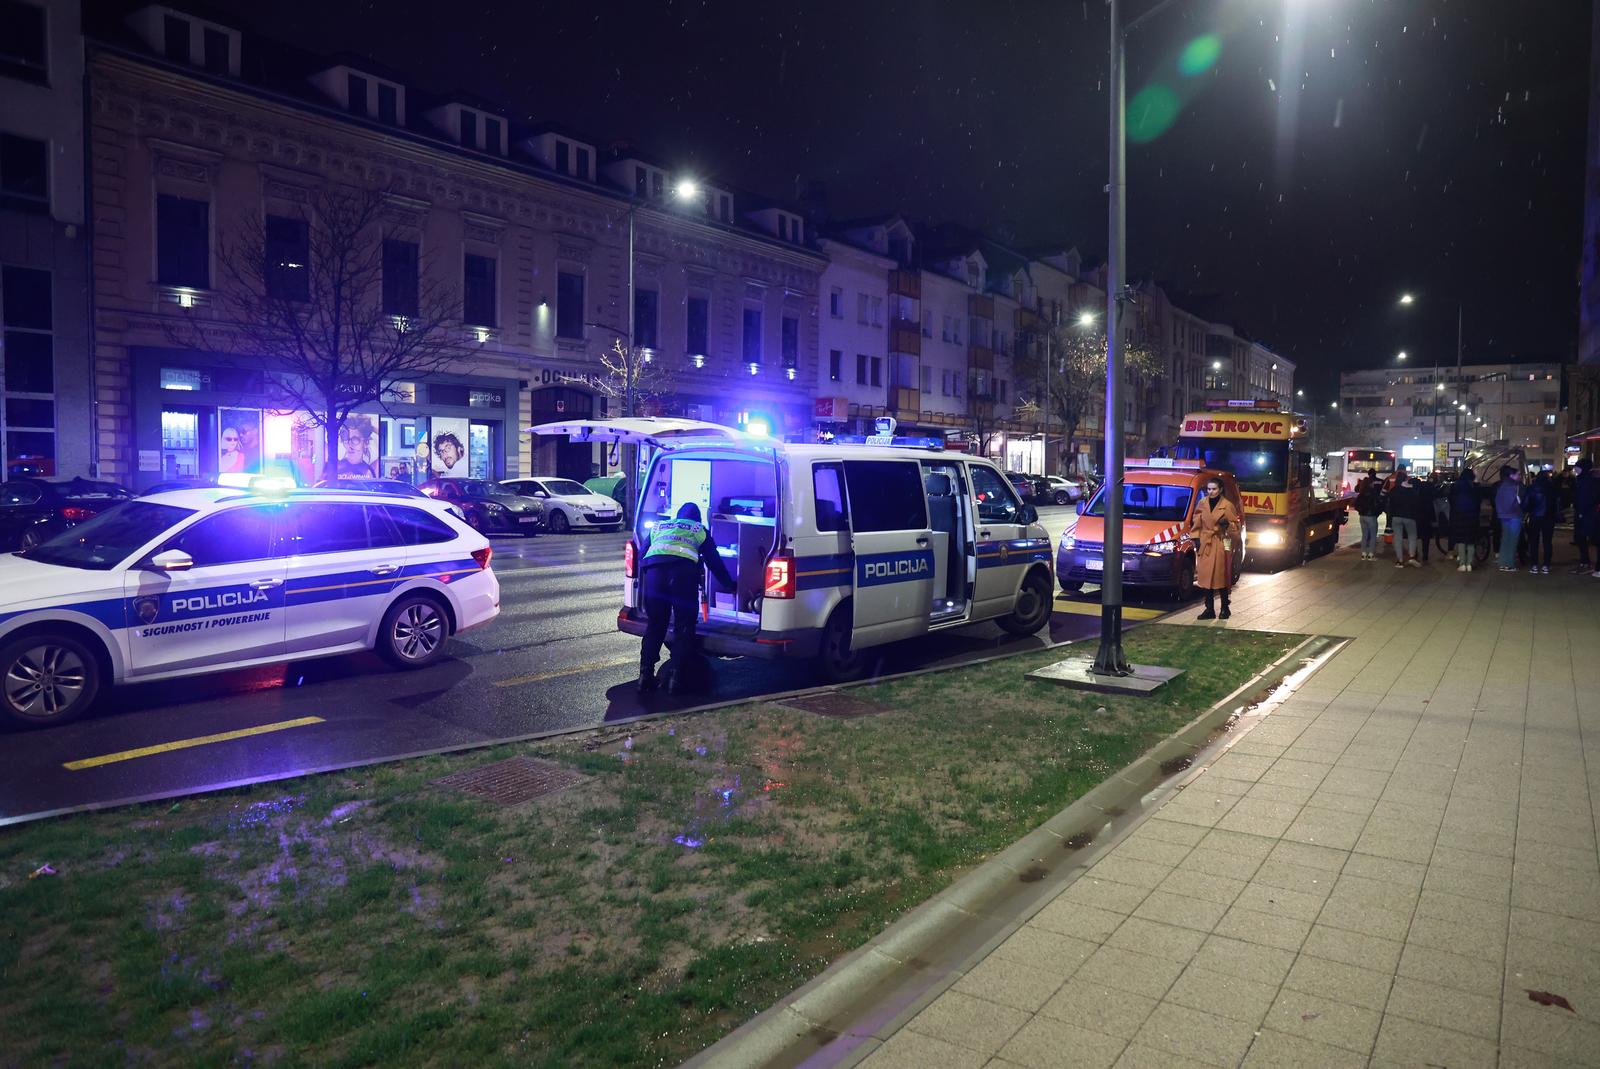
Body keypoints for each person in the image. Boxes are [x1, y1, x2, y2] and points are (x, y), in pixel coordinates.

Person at [637, 502, 736, 693]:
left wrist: (646, 581)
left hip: (654, 575)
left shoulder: (660, 526)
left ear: (678, 515)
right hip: (682, 576)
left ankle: (645, 676)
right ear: (697, 519)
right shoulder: (699, 530)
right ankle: (676, 678)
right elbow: (713, 561)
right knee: (684, 625)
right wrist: (728, 585)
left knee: (656, 625)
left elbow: (642, 554)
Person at [1188, 478, 1240, 621]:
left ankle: (1225, 608)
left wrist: (1227, 527)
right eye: (1209, 489)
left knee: (1222, 577)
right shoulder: (1202, 503)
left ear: (1221, 489)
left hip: (1222, 542)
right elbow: (1196, 522)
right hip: (1206, 544)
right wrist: (1196, 540)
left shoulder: (1227, 505)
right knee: (1206, 579)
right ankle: (1209, 608)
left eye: (1214, 489)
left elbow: (1235, 528)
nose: (1211, 492)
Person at [1524, 469, 1558, 574]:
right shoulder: (1552, 488)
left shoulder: (1532, 488)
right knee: (1547, 542)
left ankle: (1534, 565)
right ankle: (1546, 565)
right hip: (1549, 517)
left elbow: (1526, 503)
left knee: (1534, 541)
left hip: (1535, 517)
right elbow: (1557, 503)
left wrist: (1528, 511)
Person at [1388, 471, 1422, 568]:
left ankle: (1399, 560)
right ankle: (1412, 557)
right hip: (1409, 516)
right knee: (1412, 536)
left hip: (1396, 517)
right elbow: (1416, 503)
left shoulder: (1394, 490)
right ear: (1405, 479)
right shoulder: (1411, 490)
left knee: (1397, 538)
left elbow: (1390, 504)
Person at [1449, 469, 1481, 572]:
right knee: (1471, 541)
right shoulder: (1475, 487)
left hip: (1459, 516)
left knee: (1461, 540)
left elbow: (1451, 500)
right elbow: (1478, 502)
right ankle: (1469, 563)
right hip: (1472, 517)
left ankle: (1462, 563)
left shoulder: (1456, 486)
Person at [1493, 466, 1524, 572]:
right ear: (1512, 475)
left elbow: (1496, 500)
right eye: (1517, 474)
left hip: (1503, 516)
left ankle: (1502, 562)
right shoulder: (1517, 486)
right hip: (1515, 515)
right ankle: (1509, 564)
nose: (1519, 476)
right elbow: (1521, 501)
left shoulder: (1501, 485)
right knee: (1513, 540)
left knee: (1505, 539)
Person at [1574, 459, 1600, 574]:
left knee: (1594, 539)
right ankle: (1585, 561)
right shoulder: (1580, 479)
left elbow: (1588, 499)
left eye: (1577, 467)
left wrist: (1582, 512)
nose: (1575, 469)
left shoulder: (1590, 481)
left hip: (1589, 514)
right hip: (1583, 514)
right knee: (1580, 538)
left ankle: (1595, 566)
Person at [1354, 469, 1383, 560]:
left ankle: (1363, 554)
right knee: (1373, 536)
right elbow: (1377, 505)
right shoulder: (1373, 494)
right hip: (1371, 517)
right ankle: (1371, 554)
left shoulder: (1361, 495)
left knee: (1364, 535)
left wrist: (1361, 511)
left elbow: (1356, 505)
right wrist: (1377, 512)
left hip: (1362, 516)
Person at [1415, 473, 1439, 562]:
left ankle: (1415, 553)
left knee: (1416, 535)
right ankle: (1425, 554)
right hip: (1427, 517)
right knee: (1426, 538)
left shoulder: (1418, 496)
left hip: (1418, 516)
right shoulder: (1430, 498)